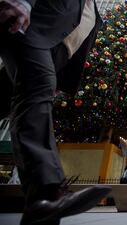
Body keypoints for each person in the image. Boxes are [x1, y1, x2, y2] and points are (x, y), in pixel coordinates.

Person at [0, 1, 111, 225]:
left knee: (9, 97)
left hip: (50, 53)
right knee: (36, 91)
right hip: (27, 28)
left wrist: (61, 80)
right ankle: (46, 194)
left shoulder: (91, 11)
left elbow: (73, 40)